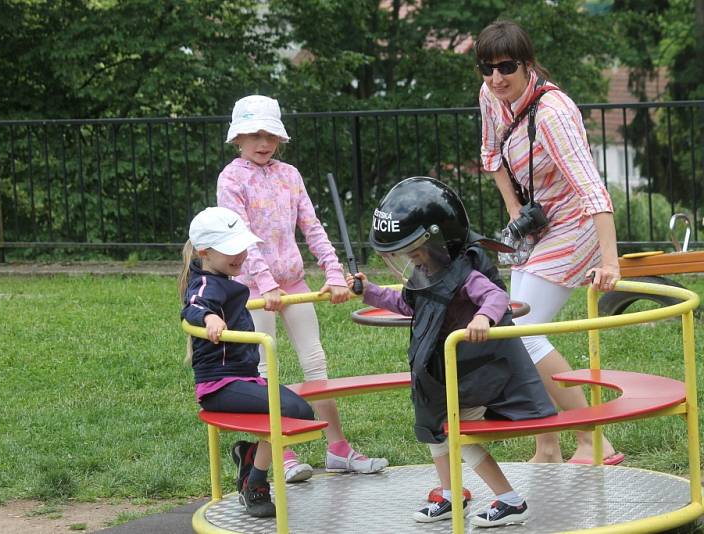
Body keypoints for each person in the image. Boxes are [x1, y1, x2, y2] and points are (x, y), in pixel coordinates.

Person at [350, 176, 556, 527]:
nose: (414, 261)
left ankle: (510, 500)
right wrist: (369, 292)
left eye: (416, 251)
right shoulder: (427, 271)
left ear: (441, 241)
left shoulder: (465, 272)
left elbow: (495, 297)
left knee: (461, 437)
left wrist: (482, 318)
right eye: (407, 255)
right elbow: (407, 302)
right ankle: (450, 495)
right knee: (435, 434)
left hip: (472, 374)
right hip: (439, 376)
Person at [217, 94, 388, 482]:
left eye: (270, 135)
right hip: (254, 290)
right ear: (237, 138)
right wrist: (264, 284)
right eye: (254, 135)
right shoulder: (231, 179)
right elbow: (241, 235)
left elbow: (312, 227)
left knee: (316, 364)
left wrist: (332, 272)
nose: (263, 143)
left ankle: (338, 449)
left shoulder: (289, 175)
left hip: (293, 282)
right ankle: (280, 451)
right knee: (264, 369)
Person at [476, 20, 624, 465]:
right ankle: (548, 444)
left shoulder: (555, 113)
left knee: (526, 331)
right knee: (511, 328)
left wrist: (611, 262)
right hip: (540, 223)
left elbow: (593, 190)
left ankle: (594, 439)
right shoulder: (490, 96)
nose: (496, 78)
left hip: (576, 223)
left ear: (527, 64)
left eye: (506, 67)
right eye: (487, 67)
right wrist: (516, 214)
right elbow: (490, 156)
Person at [179, 206, 317, 518]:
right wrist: (210, 317)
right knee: (295, 410)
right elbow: (194, 305)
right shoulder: (205, 284)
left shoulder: (224, 278)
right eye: (230, 250)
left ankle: (250, 458)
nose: (239, 255)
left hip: (244, 378)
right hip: (220, 386)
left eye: (241, 246)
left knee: (299, 411)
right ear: (204, 252)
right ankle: (253, 482)